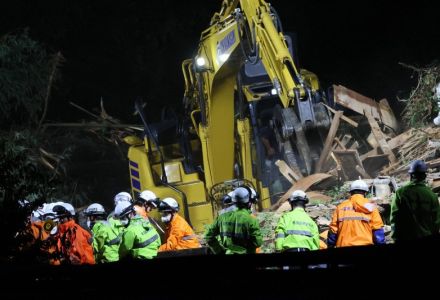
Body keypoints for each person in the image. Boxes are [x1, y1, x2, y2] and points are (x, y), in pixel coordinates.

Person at [390, 160, 440, 242]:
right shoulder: (432, 196)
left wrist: (395, 239)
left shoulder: (400, 193)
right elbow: (436, 222)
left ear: (410, 175)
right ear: (424, 176)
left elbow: (394, 219)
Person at [327, 180, 385, 247]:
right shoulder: (371, 207)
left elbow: (333, 230)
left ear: (351, 193)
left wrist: (330, 245)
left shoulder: (340, 207)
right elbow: (377, 230)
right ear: (365, 193)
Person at [205, 187, 263, 254]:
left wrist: (219, 251)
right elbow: (258, 242)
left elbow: (208, 235)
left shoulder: (221, 218)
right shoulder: (251, 220)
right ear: (249, 203)